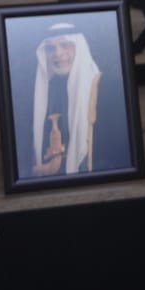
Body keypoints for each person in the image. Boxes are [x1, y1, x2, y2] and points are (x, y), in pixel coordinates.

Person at [29, 22, 102, 177]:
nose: (58, 53)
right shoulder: (45, 89)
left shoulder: (101, 86)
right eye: (51, 48)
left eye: (65, 45)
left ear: (79, 47)